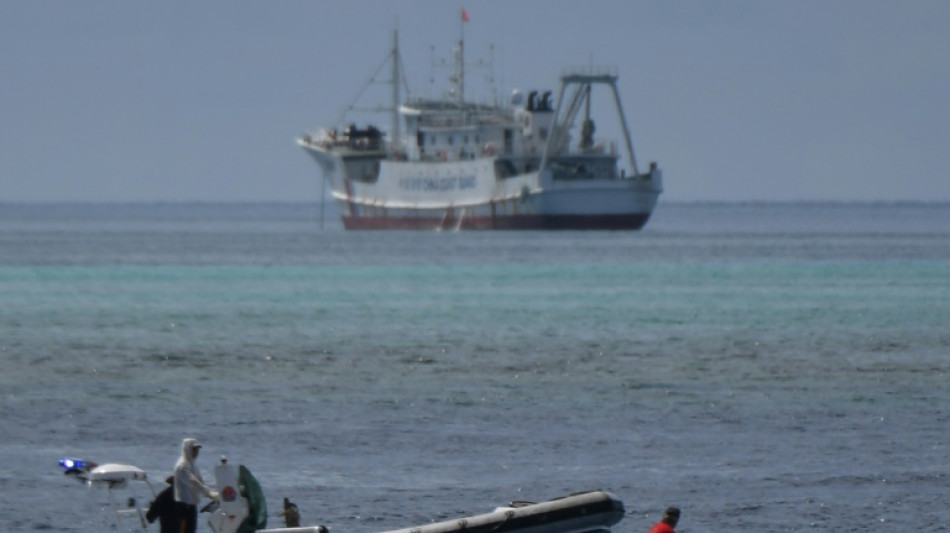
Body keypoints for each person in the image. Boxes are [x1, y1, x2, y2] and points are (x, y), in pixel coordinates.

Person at [172, 438, 219, 533]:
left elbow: (200, 481)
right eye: (194, 449)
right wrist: (208, 493)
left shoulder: (193, 465)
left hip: (192, 505)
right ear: (187, 449)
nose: (196, 452)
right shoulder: (182, 466)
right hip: (183, 505)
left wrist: (212, 493)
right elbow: (192, 481)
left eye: (197, 450)